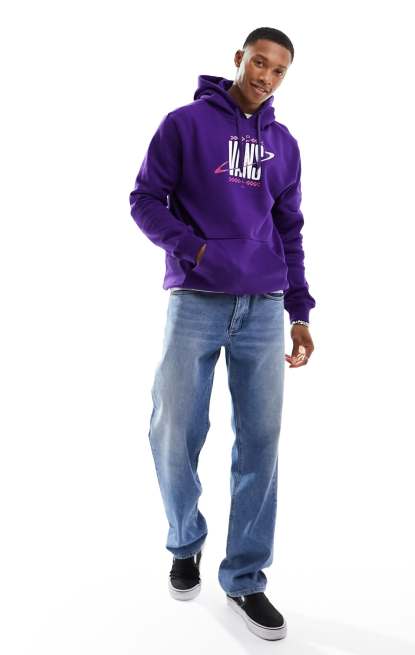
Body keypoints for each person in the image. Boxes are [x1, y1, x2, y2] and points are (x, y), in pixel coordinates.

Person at [129, 26, 315, 641]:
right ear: (239, 59)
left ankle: (244, 578)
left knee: (260, 443)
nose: (266, 77)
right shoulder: (185, 125)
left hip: (263, 307)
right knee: (172, 428)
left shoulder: (284, 145)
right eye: (259, 63)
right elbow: (144, 199)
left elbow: (290, 230)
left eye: (278, 70)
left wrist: (300, 312)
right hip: (196, 299)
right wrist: (198, 251)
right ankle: (186, 542)